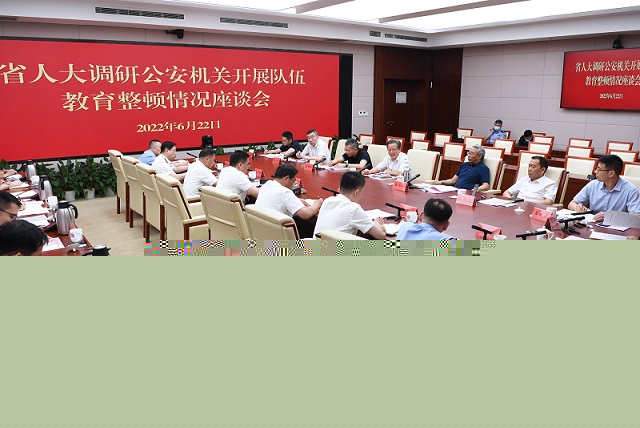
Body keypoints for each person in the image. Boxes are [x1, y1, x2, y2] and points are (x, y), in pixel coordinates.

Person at [568, 154, 640, 223]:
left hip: (616, 228)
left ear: (611, 173)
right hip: (593, 225)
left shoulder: (631, 190)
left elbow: (637, 217)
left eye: (599, 169)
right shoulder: (593, 184)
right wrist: (577, 207)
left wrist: (610, 217)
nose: (595, 171)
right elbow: (571, 204)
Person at [313, 171, 386, 239]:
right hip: (334, 249)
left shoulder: (328, 200)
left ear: (340, 188)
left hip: (313, 247)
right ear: (356, 192)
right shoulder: (354, 209)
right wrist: (377, 223)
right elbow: (381, 235)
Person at [255, 164, 322, 220]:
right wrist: (318, 203)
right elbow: (306, 214)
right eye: (293, 181)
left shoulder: (266, 185)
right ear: (286, 178)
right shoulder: (285, 192)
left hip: (259, 228)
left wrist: (296, 200)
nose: (294, 185)